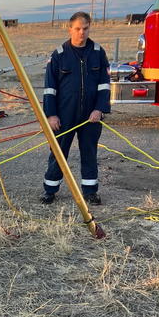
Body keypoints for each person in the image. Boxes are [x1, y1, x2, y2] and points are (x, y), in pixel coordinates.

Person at [40, 11, 111, 204]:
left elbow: (104, 85)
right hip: (64, 115)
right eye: (78, 29)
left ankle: (90, 192)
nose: (82, 33)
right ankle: (50, 190)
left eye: (85, 28)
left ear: (89, 28)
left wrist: (100, 109)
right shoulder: (59, 55)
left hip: (91, 116)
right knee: (58, 152)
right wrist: (51, 115)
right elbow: (49, 89)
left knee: (89, 152)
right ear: (70, 29)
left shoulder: (98, 52)